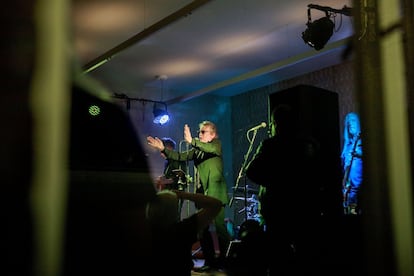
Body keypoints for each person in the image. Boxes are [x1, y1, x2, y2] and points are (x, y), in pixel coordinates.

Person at [245, 104, 324, 276]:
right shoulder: (310, 144)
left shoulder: (270, 145)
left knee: (278, 256)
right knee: (305, 254)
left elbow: (251, 171)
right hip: (305, 208)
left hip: (277, 209)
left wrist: (273, 182)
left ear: (275, 124)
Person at [147, 120, 230, 272]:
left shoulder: (216, 145)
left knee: (219, 229)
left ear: (213, 135)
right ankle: (210, 262)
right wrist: (163, 149)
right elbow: (179, 156)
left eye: (203, 132)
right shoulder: (197, 149)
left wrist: (192, 141)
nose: (200, 134)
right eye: (199, 132)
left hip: (215, 192)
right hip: (202, 193)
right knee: (203, 230)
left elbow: (209, 148)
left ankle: (225, 261)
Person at [146, 190, 224, 276]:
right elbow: (216, 204)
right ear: (173, 211)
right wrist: (184, 195)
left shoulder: (143, 232)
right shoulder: (182, 230)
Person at [341, 112, 363, 215]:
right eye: (348, 122)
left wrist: (359, 153)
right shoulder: (347, 145)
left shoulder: (362, 141)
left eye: (353, 121)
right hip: (347, 190)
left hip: (359, 190)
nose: (350, 124)